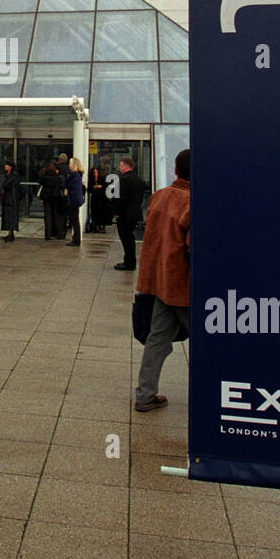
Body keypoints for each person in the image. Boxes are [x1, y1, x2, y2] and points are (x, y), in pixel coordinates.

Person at [134, 148, 190, 412]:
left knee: (157, 339)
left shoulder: (159, 196)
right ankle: (216, 396)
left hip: (158, 282)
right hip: (184, 287)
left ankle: (145, 394)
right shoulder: (192, 202)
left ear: (176, 170)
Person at [112, 155, 145, 272]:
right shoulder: (138, 179)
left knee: (125, 238)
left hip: (125, 213)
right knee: (130, 237)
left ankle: (129, 262)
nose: (119, 167)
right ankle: (130, 261)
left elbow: (120, 198)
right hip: (135, 212)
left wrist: (116, 212)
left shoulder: (124, 180)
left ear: (126, 166)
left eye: (120, 165)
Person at [39, 162, 65, 241]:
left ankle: (48, 234)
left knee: (47, 216)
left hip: (47, 198)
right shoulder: (57, 178)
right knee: (57, 216)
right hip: (55, 197)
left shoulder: (44, 177)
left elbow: (40, 181)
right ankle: (59, 233)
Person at [65, 157, 85, 247]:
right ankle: (76, 238)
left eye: (70, 163)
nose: (69, 165)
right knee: (75, 219)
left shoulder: (74, 175)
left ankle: (76, 239)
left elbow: (68, 185)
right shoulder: (78, 175)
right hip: (76, 199)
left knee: (74, 220)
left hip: (74, 199)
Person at [0, 159, 21, 243]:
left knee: (11, 216)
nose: (5, 166)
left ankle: (11, 234)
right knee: (8, 216)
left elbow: (6, 185)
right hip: (8, 197)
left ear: (10, 167)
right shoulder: (8, 174)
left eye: (7, 165)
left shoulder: (14, 175)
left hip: (11, 198)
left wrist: (5, 185)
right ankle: (9, 233)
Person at [88, 165, 109, 234]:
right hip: (95, 198)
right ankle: (97, 226)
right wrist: (94, 187)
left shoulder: (102, 179)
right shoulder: (91, 180)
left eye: (96, 172)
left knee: (102, 212)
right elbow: (89, 190)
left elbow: (106, 187)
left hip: (102, 198)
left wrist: (101, 186)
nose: (95, 174)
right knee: (95, 212)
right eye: (94, 173)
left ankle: (103, 226)